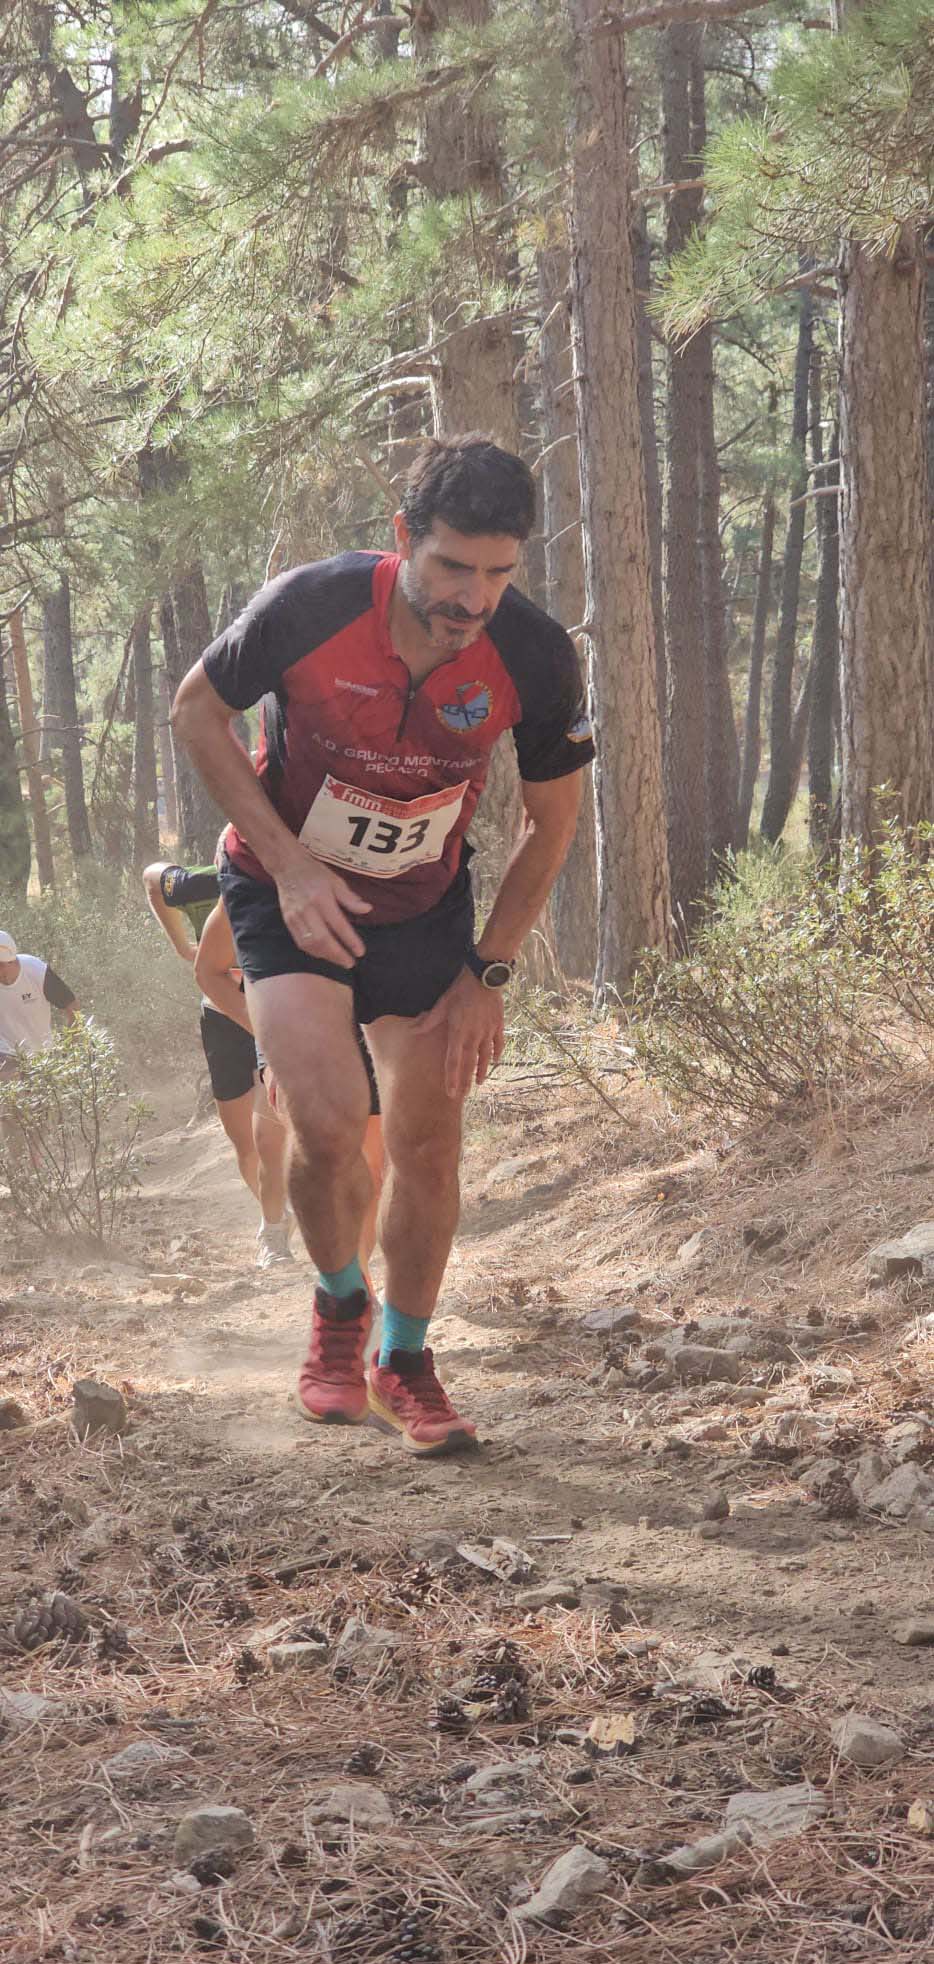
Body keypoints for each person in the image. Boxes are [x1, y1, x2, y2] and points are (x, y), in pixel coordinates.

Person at [171, 433, 594, 1453]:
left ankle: (403, 1358)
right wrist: (291, 863)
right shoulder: (310, 605)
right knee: (325, 1124)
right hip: (287, 891)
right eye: (451, 567)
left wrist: (488, 969)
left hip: (424, 912)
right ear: (404, 535)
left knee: (428, 1141)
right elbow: (196, 712)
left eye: (498, 572)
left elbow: (552, 822)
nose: (472, 598)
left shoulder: (534, 653)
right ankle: (337, 1308)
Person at [193, 899, 385, 1286]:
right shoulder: (246, 877)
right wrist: (268, 1033)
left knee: (370, 1163)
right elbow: (207, 969)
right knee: (275, 1143)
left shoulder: (368, 873)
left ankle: (357, 1287)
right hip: (280, 1021)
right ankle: (279, 1233)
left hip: (359, 1017)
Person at [143, 860, 292, 1268]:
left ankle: (274, 1233)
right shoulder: (203, 883)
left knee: (269, 1135)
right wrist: (181, 946)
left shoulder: (300, 876)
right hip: (222, 1015)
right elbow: (152, 877)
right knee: (244, 1143)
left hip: (279, 1013)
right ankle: (277, 1214)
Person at [0, 930, 79, 1077]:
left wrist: (70, 1048)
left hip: (43, 1053)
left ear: (8, 962)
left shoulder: (36, 971)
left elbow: (72, 1007)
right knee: (8, 1077)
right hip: (6, 1051)